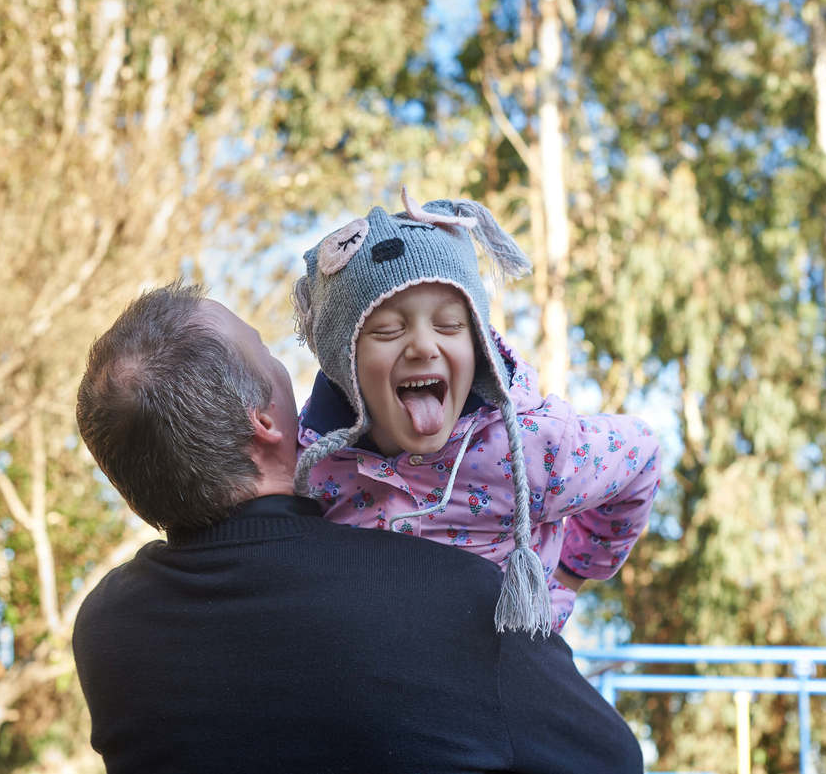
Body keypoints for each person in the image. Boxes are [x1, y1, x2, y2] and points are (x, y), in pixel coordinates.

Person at [72, 282, 644, 773]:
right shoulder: (450, 597)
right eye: (269, 353)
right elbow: (613, 760)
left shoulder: (105, 632)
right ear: (266, 423)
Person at [293, 188, 662, 634]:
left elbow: (641, 453)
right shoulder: (310, 465)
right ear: (342, 363)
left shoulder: (531, 448)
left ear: (478, 345)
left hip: (501, 677)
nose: (424, 346)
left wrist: (574, 572)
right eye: (388, 329)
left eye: (450, 325)